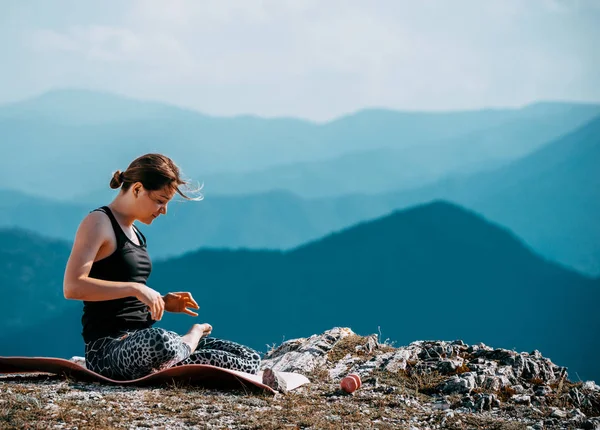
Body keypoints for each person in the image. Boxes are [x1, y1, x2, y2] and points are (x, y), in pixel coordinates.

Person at [62, 153, 262, 381]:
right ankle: (190, 338)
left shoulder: (136, 233)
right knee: (161, 342)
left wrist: (162, 303)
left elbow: (124, 305)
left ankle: (178, 353)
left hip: (142, 343)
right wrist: (136, 289)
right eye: (159, 200)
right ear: (137, 189)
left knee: (249, 358)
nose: (164, 210)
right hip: (108, 350)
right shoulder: (98, 222)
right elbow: (72, 286)